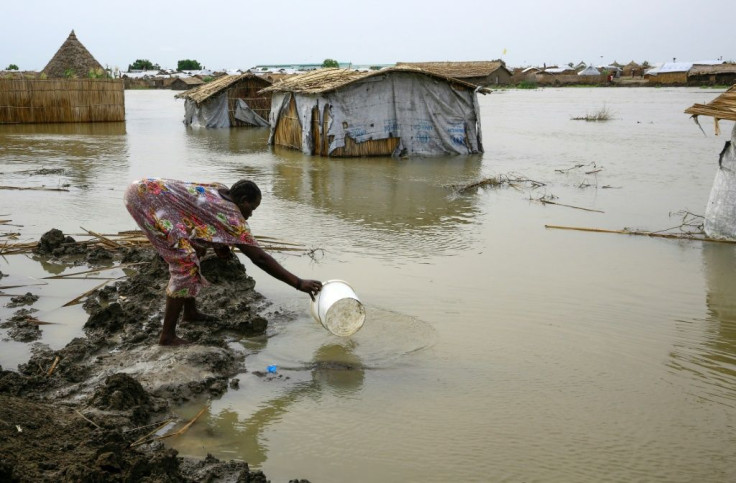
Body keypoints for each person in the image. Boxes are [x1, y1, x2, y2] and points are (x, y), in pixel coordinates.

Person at [124, 177, 322, 346]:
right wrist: (298, 283)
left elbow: (206, 216)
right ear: (243, 201)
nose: (250, 215)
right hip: (144, 200)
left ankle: (190, 313)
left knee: (195, 251)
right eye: (251, 209)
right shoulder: (232, 217)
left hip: (145, 189)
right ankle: (167, 337)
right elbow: (259, 258)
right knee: (185, 264)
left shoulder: (221, 189)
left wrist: (221, 245)